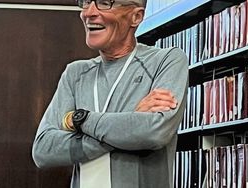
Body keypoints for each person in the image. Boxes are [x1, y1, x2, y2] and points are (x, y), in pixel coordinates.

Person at [32, 0, 188, 187]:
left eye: (104, 3)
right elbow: (43, 149)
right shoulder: (75, 74)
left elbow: (154, 133)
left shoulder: (165, 61)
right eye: (86, 2)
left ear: (136, 16)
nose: (88, 12)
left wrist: (80, 120)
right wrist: (131, 123)